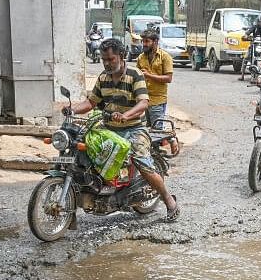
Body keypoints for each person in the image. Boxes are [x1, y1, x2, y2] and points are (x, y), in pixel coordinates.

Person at [67, 38, 180, 222]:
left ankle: (168, 200)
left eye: (111, 59)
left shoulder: (135, 75)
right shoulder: (103, 77)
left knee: (143, 163)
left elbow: (144, 102)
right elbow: (91, 102)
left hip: (134, 129)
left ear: (121, 56)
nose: (107, 63)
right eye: (104, 59)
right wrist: (71, 110)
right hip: (108, 128)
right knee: (85, 148)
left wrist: (127, 116)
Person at [136, 28, 173, 129]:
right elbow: (137, 77)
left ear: (155, 42)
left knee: (157, 130)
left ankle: (171, 141)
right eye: (143, 41)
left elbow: (168, 78)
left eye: (147, 41)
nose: (144, 44)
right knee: (145, 129)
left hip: (158, 100)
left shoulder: (165, 57)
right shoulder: (140, 58)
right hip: (143, 100)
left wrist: (149, 75)